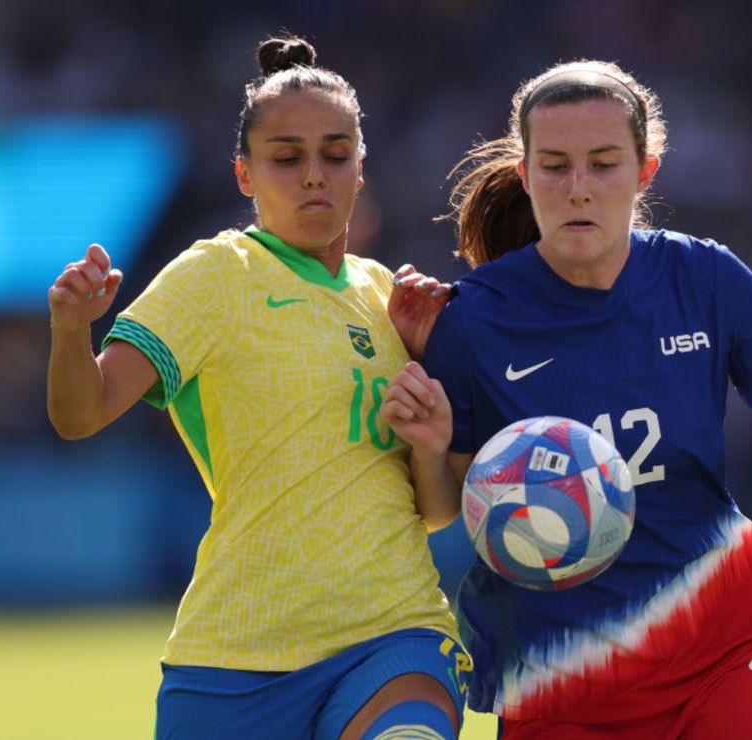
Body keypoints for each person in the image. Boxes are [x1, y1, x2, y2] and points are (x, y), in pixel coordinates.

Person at [381, 59, 752, 739]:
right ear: (527, 171)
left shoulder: (705, 277)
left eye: (603, 164)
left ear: (645, 170)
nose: (578, 188)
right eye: (555, 166)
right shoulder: (472, 321)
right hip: (559, 676)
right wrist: (430, 446)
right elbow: (446, 510)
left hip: (720, 649)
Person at [46, 35, 469, 740]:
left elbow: (434, 512)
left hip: (395, 635)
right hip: (236, 655)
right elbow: (80, 414)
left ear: (361, 169)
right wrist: (69, 328)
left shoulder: (391, 300)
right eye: (286, 158)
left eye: (336, 155)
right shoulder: (215, 276)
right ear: (245, 175)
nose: (314, 176)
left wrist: (431, 443)